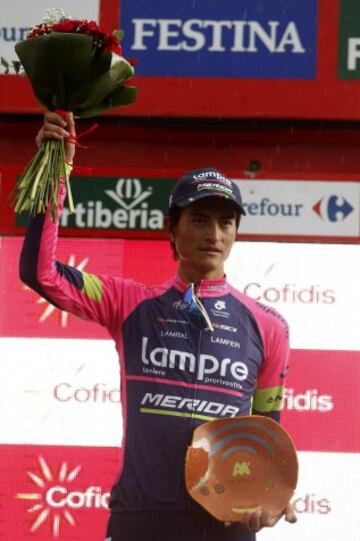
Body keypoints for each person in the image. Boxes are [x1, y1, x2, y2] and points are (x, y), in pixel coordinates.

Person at [20, 112, 297, 541]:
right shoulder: (130, 303)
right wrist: (57, 169)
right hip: (142, 518)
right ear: (173, 230)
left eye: (226, 222)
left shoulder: (268, 326)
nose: (214, 234)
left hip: (225, 525)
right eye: (200, 219)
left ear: (237, 233)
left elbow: (266, 433)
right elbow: (41, 272)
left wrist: (272, 494)